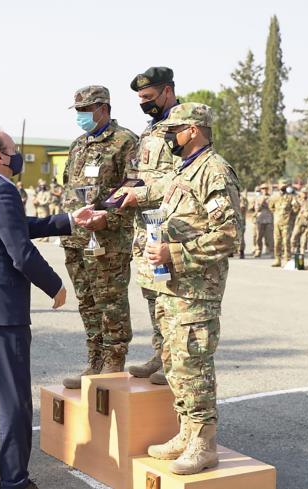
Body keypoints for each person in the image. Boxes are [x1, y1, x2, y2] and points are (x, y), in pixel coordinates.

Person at [0, 129, 101, 489]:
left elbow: (14, 228)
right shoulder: (2, 189)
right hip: (0, 312)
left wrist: (68, 220)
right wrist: (55, 285)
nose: (19, 155)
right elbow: (20, 252)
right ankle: (15, 481)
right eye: (14, 151)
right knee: (14, 400)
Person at [130, 103, 240, 475]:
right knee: (175, 364)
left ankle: (204, 443)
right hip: (172, 287)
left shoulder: (214, 170)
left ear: (193, 129)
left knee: (194, 364)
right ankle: (186, 431)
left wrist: (173, 253)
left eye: (173, 131)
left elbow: (227, 236)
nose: (169, 138)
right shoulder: (184, 169)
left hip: (196, 289)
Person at [60, 85, 138, 389]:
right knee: (87, 301)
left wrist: (108, 216)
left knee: (110, 301)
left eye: (85, 110)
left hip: (108, 239)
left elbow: (133, 186)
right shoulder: (78, 144)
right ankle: (94, 359)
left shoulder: (125, 142)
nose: (80, 116)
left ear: (103, 108)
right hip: (76, 237)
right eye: (78, 110)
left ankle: (114, 359)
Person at [118, 66, 181, 386]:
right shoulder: (150, 130)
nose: (143, 103)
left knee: (170, 293)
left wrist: (140, 192)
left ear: (167, 91)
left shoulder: (184, 126)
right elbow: (139, 172)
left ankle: (174, 361)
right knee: (152, 292)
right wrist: (122, 192)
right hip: (145, 225)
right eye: (140, 98)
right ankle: (160, 354)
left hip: (170, 225)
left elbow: (184, 177)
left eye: (148, 97)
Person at [269, 179, 299, 267]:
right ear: (278, 186)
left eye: (285, 185)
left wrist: (290, 216)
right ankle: (277, 260)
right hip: (277, 222)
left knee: (286, 242)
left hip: (287, 223)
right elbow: (271, 207)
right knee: (277, 242)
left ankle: (287, 260)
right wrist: (277, 214)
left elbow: (296, 208)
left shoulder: (291, 197)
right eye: (282, 185)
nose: (283, 186)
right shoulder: (274, 197)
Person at [253, 183, 273, 257]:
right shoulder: (258, 198)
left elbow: (272, 208)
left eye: (266, 188)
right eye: (263, 188)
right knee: (258, 237)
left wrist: (267, 203)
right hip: (260, 219)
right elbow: (256, 208)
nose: (264, 190)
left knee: (269, 237)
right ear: (261, 190)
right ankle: (258, 250)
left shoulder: (271, 197)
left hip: (268, 219)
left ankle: (271, 251)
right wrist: (262, 202)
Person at [237, 189, 248, 259]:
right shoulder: (228, 196)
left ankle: (241, 251)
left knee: (240, 237)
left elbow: (242, 208)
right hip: (230, 219)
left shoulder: (241, 198)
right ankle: (230, 252)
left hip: (239, 219)